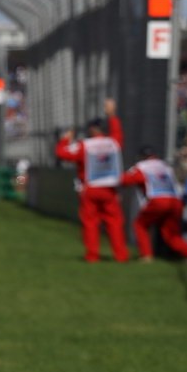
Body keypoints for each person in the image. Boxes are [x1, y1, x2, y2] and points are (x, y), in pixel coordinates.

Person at [55, 98, 128, 262]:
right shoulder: (113, 142)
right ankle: (121, 255)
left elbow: (62, 153)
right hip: (110, 189)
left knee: (90, 223)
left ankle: (92, 255)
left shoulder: (84, 145)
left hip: (90, 188)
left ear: (92, 129)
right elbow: (117, 132)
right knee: (115, 223)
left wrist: (65, 139)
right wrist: (112, 114)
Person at [120, 147, 187, 261]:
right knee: (171, 235)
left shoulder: (142, 167)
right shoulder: (165, 166)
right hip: (176, 201)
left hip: (158, 201)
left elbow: (125, 180)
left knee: (140, 225)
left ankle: (146, 255)